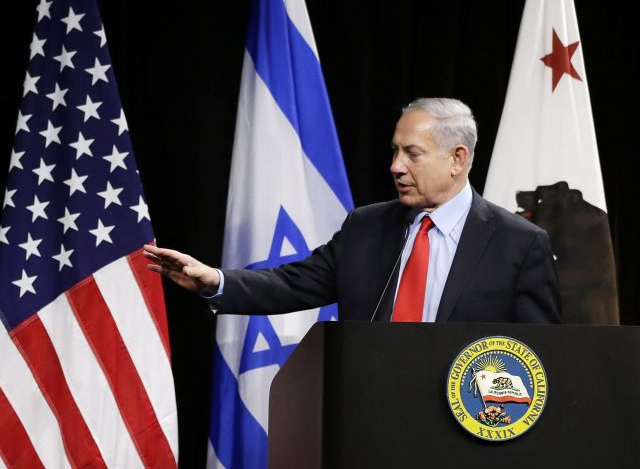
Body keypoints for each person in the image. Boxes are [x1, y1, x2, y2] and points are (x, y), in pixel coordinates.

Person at [144, 98, 561, 324]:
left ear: (457, 158)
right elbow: (294, 283)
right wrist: (213, 281)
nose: (396, 166)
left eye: (412, 154)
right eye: (395, 152)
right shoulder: (367, 226)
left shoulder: (518, 244)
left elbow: (539, 358)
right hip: (369, 418)